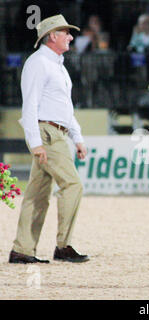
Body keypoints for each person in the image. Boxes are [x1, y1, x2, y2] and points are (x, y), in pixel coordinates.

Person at [9, 14, 89, 264]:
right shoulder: (38, 63)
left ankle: (22, 250)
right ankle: (63, 246)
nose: (71, 37)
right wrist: (35, 142)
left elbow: (65, 108)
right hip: (46, 133)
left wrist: (77, 137)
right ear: (52, 36)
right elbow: (29, 106)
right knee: (72, 184)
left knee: (37, 194)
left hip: (55, 132)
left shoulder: (57, 65)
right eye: (66, 32)